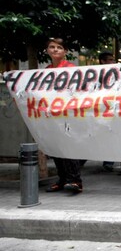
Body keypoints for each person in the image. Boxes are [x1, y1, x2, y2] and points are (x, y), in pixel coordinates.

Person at [44, 38, 84, 194]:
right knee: (56, 149)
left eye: (59, 47)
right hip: (52, 116)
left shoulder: (71, 69)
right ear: (47, 50)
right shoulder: (45, 71)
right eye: (52, 47)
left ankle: (75, 181)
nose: (55, 50)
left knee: (69, 148)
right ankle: (62, 179)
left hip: (68, 115)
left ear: (65, 51)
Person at [98, 51, 116, 172]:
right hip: (100, 109)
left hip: (112, 109)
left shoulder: (116, 73)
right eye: (110, 60)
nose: (112, 62)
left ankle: (109, 161)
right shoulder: (96, 74)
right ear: (103, 61)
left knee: (111, 134)